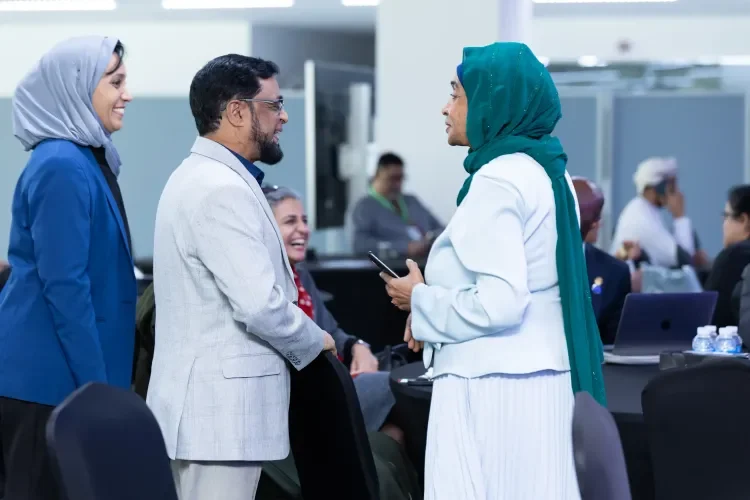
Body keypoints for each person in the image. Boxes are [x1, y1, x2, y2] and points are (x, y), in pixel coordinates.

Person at [381, 42, 604, 500]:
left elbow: (500, 302)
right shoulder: (547, 170)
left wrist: (419, 298)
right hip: (541, 378)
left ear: (492, 103)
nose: (445, 108)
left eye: (456, 94)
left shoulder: (498, 179)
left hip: (493, 387)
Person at [147, 55, 336, 500]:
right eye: (274, 105)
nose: (283, 116)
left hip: (212, 417)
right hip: (217, 421)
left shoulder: (207, 177)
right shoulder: (220, 188)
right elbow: (259, 304)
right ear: (236, 111)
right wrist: (316, 340)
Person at [0, 36, 135, 500]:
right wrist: (97, 390)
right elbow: (66, 288)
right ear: (75, 87)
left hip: (60, 380)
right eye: (115, 82)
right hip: (46, 381)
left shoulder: (83, 160)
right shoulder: (62, 165)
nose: (127, 94)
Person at [263, 185, 401, 439]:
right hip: (306, 399)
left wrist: (358, 346)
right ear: (267, 229)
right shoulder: (266, 287)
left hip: (333, 383)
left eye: (304, 221)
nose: (303, 229)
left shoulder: (301, 275)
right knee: (398, 386)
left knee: (395, 434)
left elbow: (333, 332)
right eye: (290, 221)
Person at [611, 157, 708, 269]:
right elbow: (686, 264)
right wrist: (679, 216)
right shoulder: (641, 218)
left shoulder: (646, 210)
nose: (678, 193)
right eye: (672, 187)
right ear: (653, 189)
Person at [572, 177, 631, 345]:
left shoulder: (614, 272)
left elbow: (615, 345)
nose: (599, 223)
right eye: (596, 216)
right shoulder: (528, 261)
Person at [352, 152, 444, 258]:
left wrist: (430, 240)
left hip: (426, 261)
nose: (397, 184)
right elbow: (360, 245)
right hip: (394, 265)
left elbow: (442, 230)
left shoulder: (412, 201)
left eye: (400, 178)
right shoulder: (363, 208)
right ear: (377, 176)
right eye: (392, 178)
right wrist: (403, 248)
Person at [705, 185, 750, 327]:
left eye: (726, 216)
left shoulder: (732, 258)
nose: (723, 224)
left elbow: (709, 318)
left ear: (743, 220)